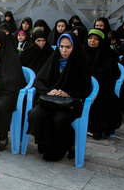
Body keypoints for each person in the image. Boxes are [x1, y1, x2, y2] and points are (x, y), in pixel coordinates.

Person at [26, 32, 91, 161]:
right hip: (51, 100)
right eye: (61, 46)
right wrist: (50, 91)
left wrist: (68, 93)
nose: (64, 50)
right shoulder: (54, 59)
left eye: (68, 47)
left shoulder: (81, 63)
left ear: (74, 47)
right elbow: (39, 81)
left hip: (70, 104)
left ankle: (61, 149)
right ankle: (44, 144)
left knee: (59, 120)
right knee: (35, 114)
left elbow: (85, 89)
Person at [84, 29, 122, 139]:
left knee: (102, 98)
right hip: (85, 85)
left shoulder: (108, 54)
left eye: (96, 39)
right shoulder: (83, 52)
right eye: (90, 38)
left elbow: (111, 74)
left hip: (103, 86)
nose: (92, 41)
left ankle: (97, 128)